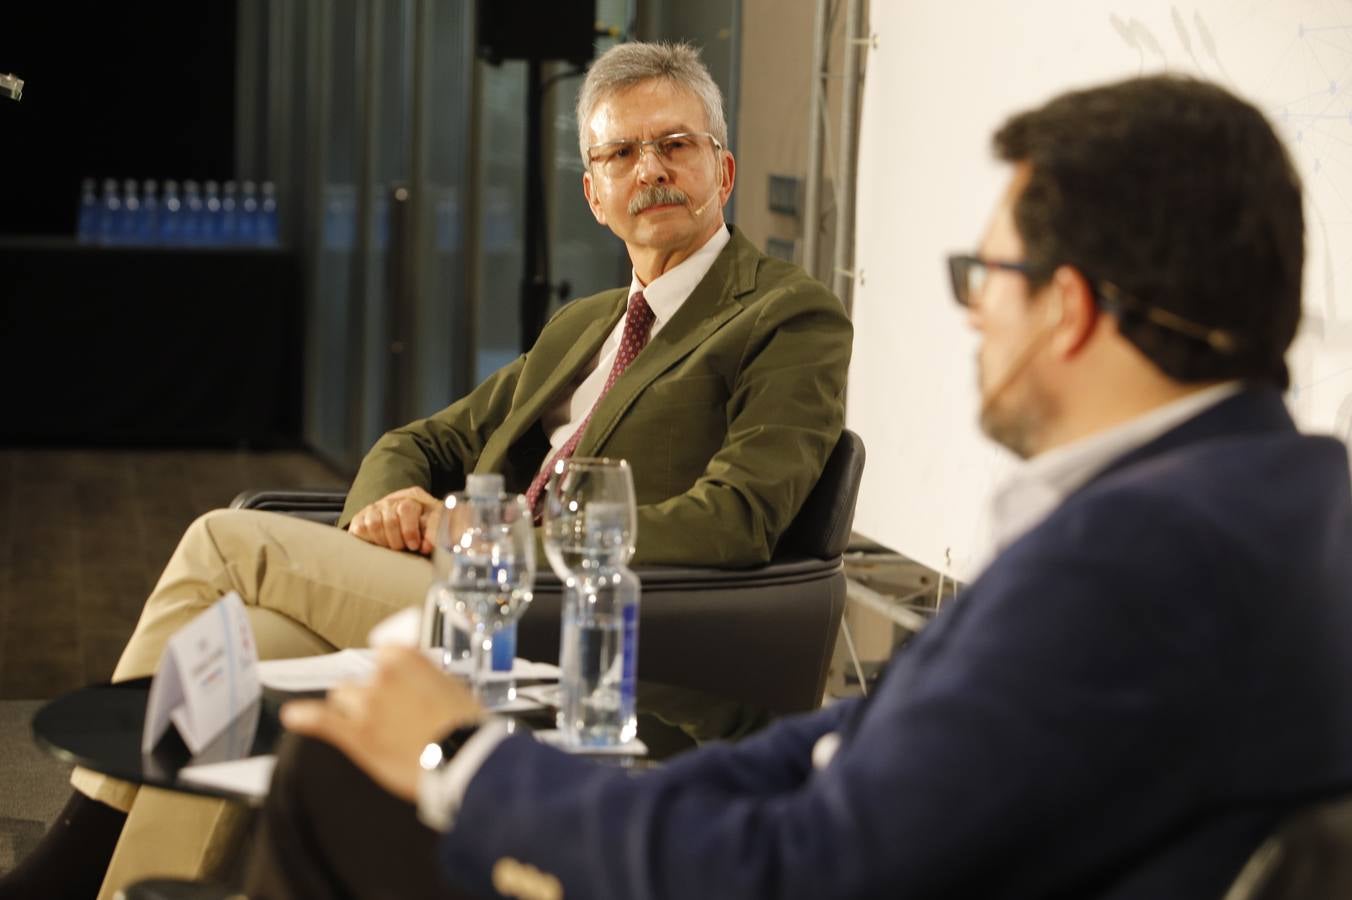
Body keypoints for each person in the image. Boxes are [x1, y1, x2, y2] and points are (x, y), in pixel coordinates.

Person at [246, 74, 1352, 899]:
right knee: (309, 723)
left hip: (638, 683)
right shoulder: (1277, 499)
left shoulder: (1133, 561)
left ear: (1063, 307)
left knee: (338, 784)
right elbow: (862, 756)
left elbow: (806, 869)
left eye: (985, 276)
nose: (972, 313)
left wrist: (463, 759)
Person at [0, 42, 851, 900]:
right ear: (595, 195)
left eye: (676, 144)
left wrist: (499, 535)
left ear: (724, 168)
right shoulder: (585, 324)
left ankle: (61, 870)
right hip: (463, 599)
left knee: (224, 543)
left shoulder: (788, 314)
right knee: (243, 649)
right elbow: (422, 445)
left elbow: (738, 518)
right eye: (621, 153)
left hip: (585, 630)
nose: (651, 169)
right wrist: (385, 517)